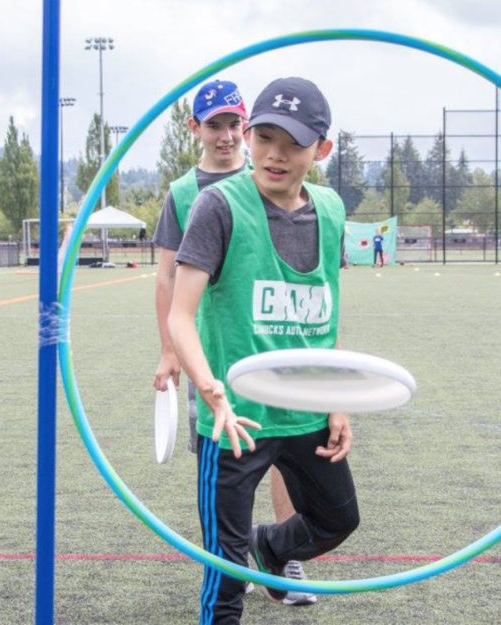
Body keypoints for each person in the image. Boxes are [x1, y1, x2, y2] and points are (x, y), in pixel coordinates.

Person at [168, 76, 359, 625]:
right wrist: (211, 392)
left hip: (305, 408)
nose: (276, 155)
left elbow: (326, 311)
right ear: (248, 136)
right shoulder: (218, 206)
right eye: (265, 137)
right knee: (225, 569)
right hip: (235, 418)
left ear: (321, 149)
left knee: (336, 521)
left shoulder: (330, 210)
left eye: (294, 143)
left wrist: (337, 400)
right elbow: (181, 315)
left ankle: (271, 548)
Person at [151, 78, 317, 607]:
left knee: (284, 451)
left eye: (232, 125)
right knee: (227, 458)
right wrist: (170, 352)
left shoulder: (270, 176)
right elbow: (167, 282)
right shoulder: (184, 194)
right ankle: (230, 560)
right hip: (214, 353)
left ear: (245, 128)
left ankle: (283, 558)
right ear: (194, 128)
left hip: (273, 341)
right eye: (214, 125)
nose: (225, 137)